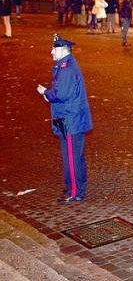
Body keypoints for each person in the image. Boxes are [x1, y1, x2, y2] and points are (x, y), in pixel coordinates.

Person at [36, 34, 93, 203]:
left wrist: (45, 93)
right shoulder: (64, 65)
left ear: (63, 50)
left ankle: (74, 192)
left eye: (54, 48)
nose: (51, 52)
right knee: (71, 154)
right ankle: (74, 186)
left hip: (69, 120)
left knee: (72, 156)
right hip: (66, 118)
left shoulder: (66, 68)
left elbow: (60, 93)